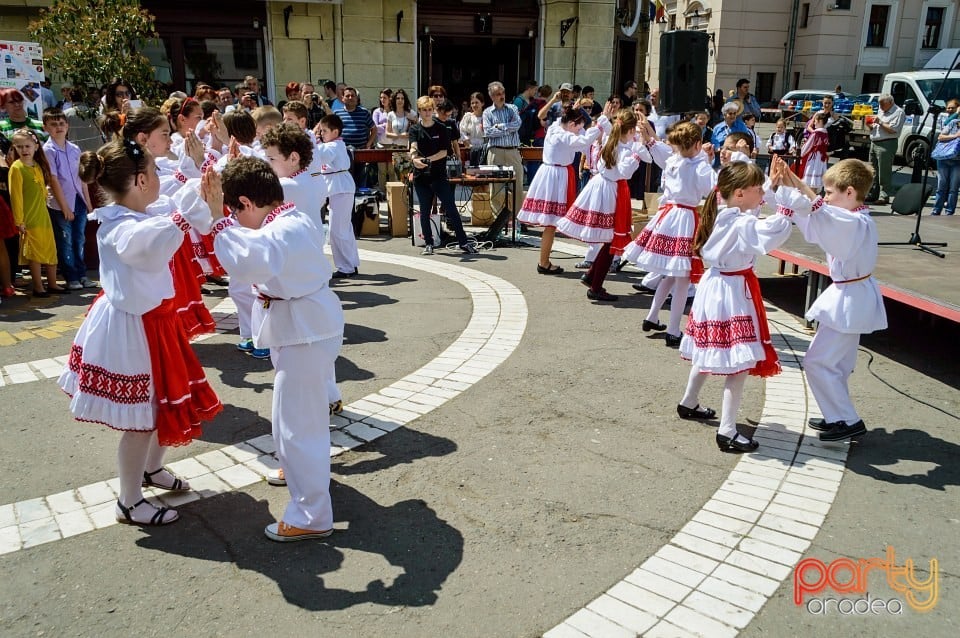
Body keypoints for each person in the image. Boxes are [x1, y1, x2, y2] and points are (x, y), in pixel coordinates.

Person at [59, 138, 222, 526]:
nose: (158, 178)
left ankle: (150, 470)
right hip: (136, 330)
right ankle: (129, 500)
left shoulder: (133, 212)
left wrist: (198, 180)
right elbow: (151, 242)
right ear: (138, 180)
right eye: (153, 172)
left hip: (154, 324)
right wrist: (192, 214)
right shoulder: (119, 227)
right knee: (141, 419)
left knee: (162, 402)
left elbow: (171, 206)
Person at [211, 157, 343, 541]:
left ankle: (311, 515)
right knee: (299, 419)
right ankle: (301, 474)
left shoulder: (279, 232)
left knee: (298, 425)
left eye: (234, 211)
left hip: (304, 332)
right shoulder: (293, 218)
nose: (234, 220)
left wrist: (216, 223)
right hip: (307, 327)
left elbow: (249, 261)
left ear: (247, 203)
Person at [678, 161, 794, 452]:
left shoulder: (722, 210)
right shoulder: (741, 222)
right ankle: (727, 430)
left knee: (708, 350)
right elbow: (769, 233)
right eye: (758, 189)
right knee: (738, 363)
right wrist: (787, 208)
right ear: (740, 193)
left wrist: (769, 186)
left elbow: (751, 210)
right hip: (731, 291)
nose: (762, 195)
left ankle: (688, 401)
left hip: (715, 285)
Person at [773, 155, 886, 441]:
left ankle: (846, 419)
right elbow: (818, 217)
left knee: (818, 362)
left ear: (850, 192)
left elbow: (818, 210)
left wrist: (793, 181)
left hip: (850, 298)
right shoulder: (854, 218)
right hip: (850, 296)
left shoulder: (853, 221)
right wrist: (790, 181)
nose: (826, 197)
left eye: (831, 192)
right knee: (836, 365)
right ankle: (837, 416)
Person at [622, 121, 717, 344]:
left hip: (668, 216)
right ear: (696, 143)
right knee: (682, 279)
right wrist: (705, 159)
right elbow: (711, 188)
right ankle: (673, 330)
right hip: (685, 218)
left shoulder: (674, 160)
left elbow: (661, 151)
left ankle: (653, 315)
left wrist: (700, 155)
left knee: (671, 274)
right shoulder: (698, 166)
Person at [556, 108, 644, 302]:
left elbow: (605, 123)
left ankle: (591, 276)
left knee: (608, 239)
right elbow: (625, 172)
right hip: (609, 192)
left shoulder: (611, 139)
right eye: (634, 131)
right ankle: (596, 286)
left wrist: (605, 117)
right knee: (610, 240)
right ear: (629, 131)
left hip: (602, 187)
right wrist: (637, 155)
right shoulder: (622, 148)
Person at [517, 106, 600, 274]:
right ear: (570, 123)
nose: (579, 131)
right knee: (551, 222)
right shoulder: (561, 134)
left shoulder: (556, 127)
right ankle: (543, 262)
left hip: (554, 174)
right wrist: (600, 126)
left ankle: (544, 261)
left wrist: (577, 115)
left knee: (552, 223)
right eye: (578, 127)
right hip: (556, 176)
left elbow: (579, 136)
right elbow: (582, 142)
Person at [409, 95, 478, 256]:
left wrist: (426, 160)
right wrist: (413, 158)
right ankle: (428, 243)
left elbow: (444, 152)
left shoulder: (441, 128)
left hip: (438, 175)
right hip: (421, 177)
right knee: (424, 211)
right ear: (419, 111)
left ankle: (463, 242)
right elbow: (413, 146)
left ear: (433, 110)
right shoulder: (414, 129)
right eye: (423, 110)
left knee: (451, 209)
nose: (426, 113)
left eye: (429, 109)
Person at [8, 129, 73, 296]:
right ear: (15, 148)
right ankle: (38, 286)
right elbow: (16, 197)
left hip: (43, 215)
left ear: (36, 146)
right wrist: (19, 221)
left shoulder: (37, 166)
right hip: (29, 218)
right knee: (35, 253)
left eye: (28, 146)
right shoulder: (16, 168)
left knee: (50, 249)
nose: (24, 150)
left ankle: (53, 284)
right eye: (20, 147)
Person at [42, 109, 95, 290]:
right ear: (46, 127)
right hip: (60, 203)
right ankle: (71, 276)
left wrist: (88, 202)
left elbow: (82, 177)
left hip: (78, 199)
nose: (59, 127)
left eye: (62, 123)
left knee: (79, 239)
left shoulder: (74, 149)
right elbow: (53, 179)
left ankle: (82, 274)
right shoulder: (48, 150)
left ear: (67, 125)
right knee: (65, 240)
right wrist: (64, 206)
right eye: (54, 124)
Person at [316, 113, 363, 276]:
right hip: (339, 188)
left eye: (324, 131)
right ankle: (350, 264)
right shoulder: (335, 145)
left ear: (335, 132)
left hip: (341, 188)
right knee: (343, 229)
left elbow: (320, 157)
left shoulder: (333, 146)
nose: (321, 134)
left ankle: (346, 267)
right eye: (320, 131)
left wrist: (311, 142)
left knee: (338, 230)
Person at [482, 81, 524, 216]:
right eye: (498, 94)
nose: (502, 96)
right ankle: (498, 221)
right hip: (496, 151)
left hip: (513, 151)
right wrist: (507, 128)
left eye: (503, 93)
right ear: (492, 96)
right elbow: (488, 132)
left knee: (517, 185)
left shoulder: (512, 108)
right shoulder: (487, 112)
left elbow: (517, 124)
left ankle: (517, 219)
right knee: (496, 187)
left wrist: (499, 127)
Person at [333, 86, 375, 187]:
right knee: (345, 179)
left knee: (361, 179)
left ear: (357, 98)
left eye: (353, 95)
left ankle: (360, 200)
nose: (350, 98)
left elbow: (374, 129)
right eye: (347, 96)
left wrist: (369, 144)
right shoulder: (336, 113)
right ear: (342, 98)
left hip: (360, 152)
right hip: (343, 153)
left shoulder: (364, 112)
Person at [866, 94, 903, 205]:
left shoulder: (898, 112)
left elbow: (893, 130)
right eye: (880, 104)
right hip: (875, 141)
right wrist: (870, 125)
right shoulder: (882, 110)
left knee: (884, 171)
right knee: (873, 171)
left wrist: (880, 122)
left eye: (883, 104)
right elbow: (876, 127)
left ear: (890, 103)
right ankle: (873, 193)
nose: (880, 106)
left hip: (886, 143)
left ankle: (884, 195)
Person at [931, 98, 960, 216]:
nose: (949, 110)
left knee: (953, 188)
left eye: (952, 108)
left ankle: (949, 211)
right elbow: (940, 137)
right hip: (944, 159)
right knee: (941, 187)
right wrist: (955, 136)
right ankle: (936, 210)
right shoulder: (953, 122)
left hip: (958, 161)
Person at [800, 111, 829, 190]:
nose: (814, 123)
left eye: (815, 121)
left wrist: (801, 152)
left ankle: (811, 195)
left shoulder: (816, 133)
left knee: (811, 178)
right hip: (821, 158)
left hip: (814, 158)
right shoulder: (825, 133)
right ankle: (815, 193)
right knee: (817, 177)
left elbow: (808, 145)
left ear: (819, 121)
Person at [459, 92, 485, 167]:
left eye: (477, 102)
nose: (474, 105)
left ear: (482, 103)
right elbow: (462, 132)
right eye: (472, 103)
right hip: (469, 150)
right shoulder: (467, 117)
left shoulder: (487, 117)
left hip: (484, 150)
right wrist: (469, 146)